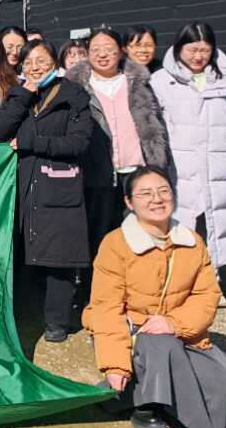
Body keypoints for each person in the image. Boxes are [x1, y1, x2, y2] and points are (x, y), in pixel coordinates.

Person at [83, 167, 226, 428]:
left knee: (220, 374)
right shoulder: (115, 244)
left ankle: (127, 395)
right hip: (131, 331)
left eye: (164, 191)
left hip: (176, 331)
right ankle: (147, 404)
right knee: (159, 345)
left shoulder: (192, 242)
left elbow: (206, 295)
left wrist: (174, 323)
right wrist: (115, 365)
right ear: (130, 203)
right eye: (145, 193)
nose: (157, 199)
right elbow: (106, 308)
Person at [0, 39, 94, 343]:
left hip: (59, 183)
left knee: (59, 256)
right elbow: (0, 131)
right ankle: (23, 314)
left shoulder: (73, 95)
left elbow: (78, 142)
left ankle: (57, 321)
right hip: (24, 181)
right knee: (25, 249)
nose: (34, 67)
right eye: (28, 62)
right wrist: (25, 93)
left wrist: (31, 143)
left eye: (41, 60)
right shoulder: (18, 95)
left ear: (55, 62)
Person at [66, 28, 170, 287]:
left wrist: (157, 162)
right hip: (96, 172)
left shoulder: (138, 82)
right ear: (87, 53)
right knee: (98, 234)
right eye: (95, 50)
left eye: (109, 49)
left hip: (135, 170)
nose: (102, 55)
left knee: (138, 233)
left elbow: (155, 123)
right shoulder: (75, 87)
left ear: (121, 52)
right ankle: (95, 290)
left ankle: (138, 288)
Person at [150, 22, 226, 275]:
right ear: (179, 48)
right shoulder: (161, 81)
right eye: (192, 50)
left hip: (217, 167)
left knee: (214, 223)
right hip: (178, 169)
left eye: (205, 50)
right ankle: (178, 281)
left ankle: (211, 281)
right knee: (178, 224)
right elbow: (152, 128)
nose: (198, 56)